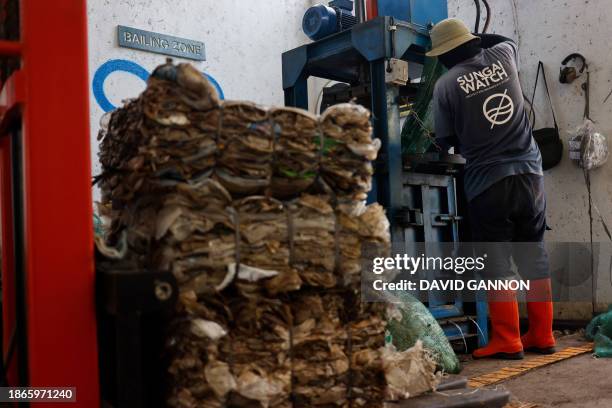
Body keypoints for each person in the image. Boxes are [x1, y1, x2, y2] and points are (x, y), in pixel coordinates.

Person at [427, 18, 555, 359]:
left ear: (444, 54)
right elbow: (503, 37)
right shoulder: (503, 55)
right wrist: (470, 39)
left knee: (496, 263)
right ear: (471, 41)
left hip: (488, 181)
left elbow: (445, 141)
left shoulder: (445, 84)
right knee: (534, 256)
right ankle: (542, 335)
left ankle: (508, 340)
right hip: (531, 174)